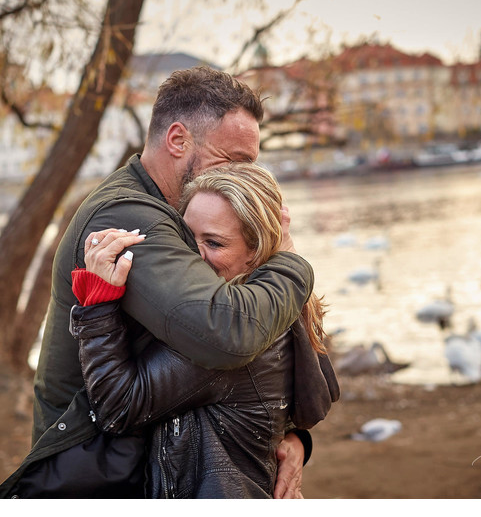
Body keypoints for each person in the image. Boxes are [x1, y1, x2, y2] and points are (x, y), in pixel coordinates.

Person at [0, 67, 317, 498]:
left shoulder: (187, 211)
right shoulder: (127, 217)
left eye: (252, 164)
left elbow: (287, 362)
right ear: (178, 139)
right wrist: (292, 260)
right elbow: (227, 333)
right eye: (236, 160)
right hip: (94, 472)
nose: (245, 175)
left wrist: (290, 436)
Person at [68, 163, 338, 497]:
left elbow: (118, 408)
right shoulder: (280, 310)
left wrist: (98, 306)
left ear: (257, 252)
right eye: (185, 237)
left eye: (214, 242)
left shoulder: (228, 337)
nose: (193, 257)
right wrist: (297, 439)